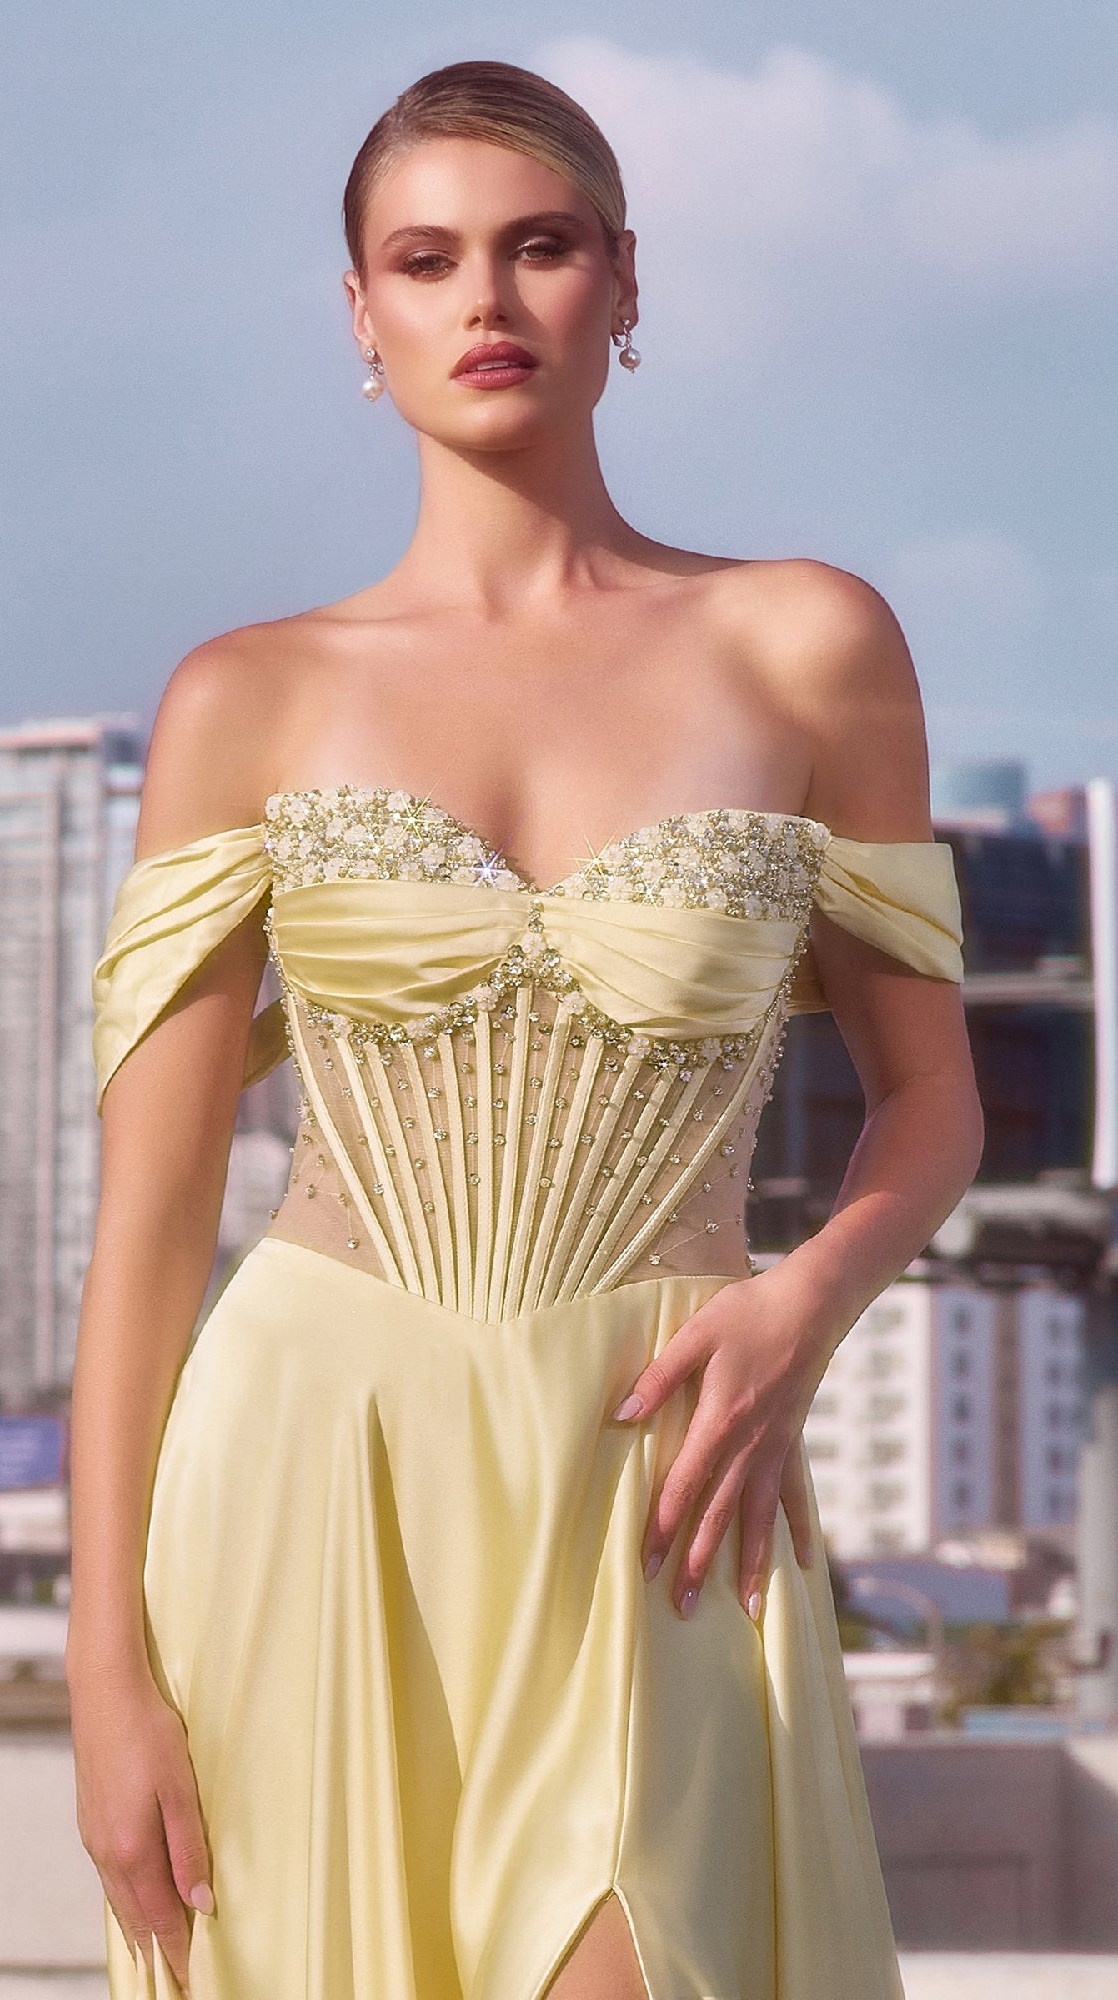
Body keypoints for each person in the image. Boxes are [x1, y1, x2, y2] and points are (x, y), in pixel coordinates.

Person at [68, 57, 982, 2000]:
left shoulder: (808, 642)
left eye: (539, 247)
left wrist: (803, 1299)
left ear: (624, 283)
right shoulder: (246, 697)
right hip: (315, 1468)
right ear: (363, 315)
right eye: (427, 259)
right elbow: (146, 1236)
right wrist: (103, 1672)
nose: (484, 302)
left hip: (660, 1462)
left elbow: (934, 1114)